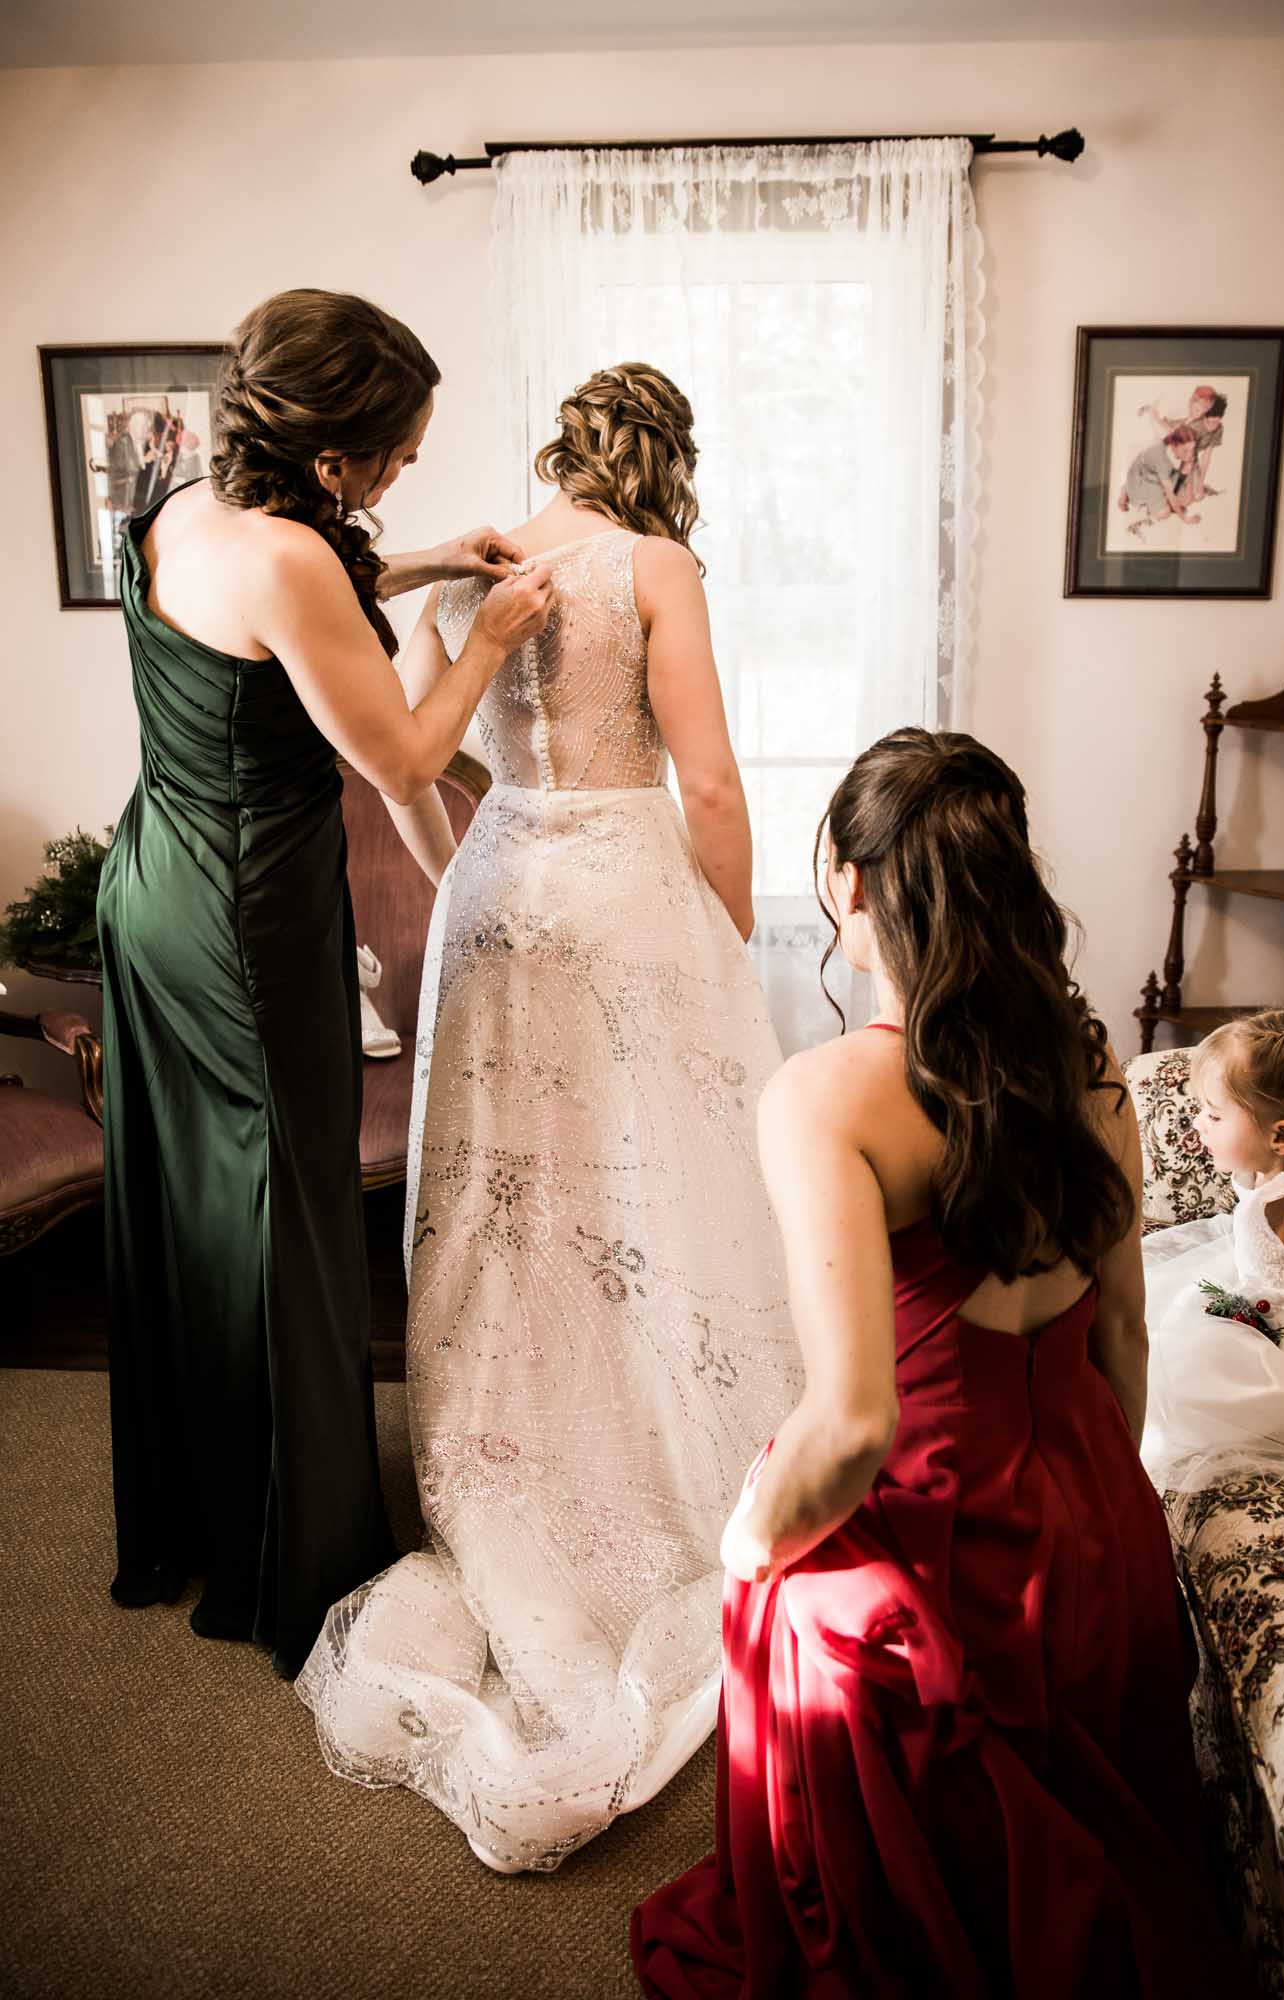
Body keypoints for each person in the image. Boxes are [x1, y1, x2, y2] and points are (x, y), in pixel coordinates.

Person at [632, 729, 1240, 1997]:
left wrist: (747, 1546)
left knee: (777, 1563)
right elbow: (1124, 1339)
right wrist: (1096, 1526)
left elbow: (856, 1424)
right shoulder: (1096, 1071)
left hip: (937, 1544)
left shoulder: (825, 1095)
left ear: (848, 884)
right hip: (1093, 1527)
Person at [297, 363, 801, 1870]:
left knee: (506, 1197)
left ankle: (501, 1450)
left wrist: (471, 865)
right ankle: (658, 1445)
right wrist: (726, 930)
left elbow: (420, 756)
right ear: (665, 458)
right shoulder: (653, 568)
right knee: (653, 1186)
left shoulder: (477, 566)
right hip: (626, 889)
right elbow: (709, 781)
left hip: (500, 882)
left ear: (560, 453)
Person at [97, 288, 554, 1680]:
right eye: (399, 454)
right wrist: (490, 632)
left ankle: (195, 1507)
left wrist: (419, 562)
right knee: (285, 1210)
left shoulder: (181, 502)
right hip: (246, 919)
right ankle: (290, 1550)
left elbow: (283, 607)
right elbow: (404, 758)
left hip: (151, 885)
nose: (407, 471)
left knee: (194, 1203)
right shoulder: (295, 556)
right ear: (333, 457)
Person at [1141, 1006, 1284, 1500]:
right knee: (1160, 1332)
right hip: (1260, 1310)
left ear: (1281, 1137)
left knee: (1185, 1377)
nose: (1198, 1124)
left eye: (1214, 1115)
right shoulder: (1266, 1174)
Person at [1118, 425, 1202, 536]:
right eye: (1185, 450)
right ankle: (1133, 498)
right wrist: (1185, 518)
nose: (1190, 454)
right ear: (1174, 445)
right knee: (1165, 513)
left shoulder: (1171, 447)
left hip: (1152, 477)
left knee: (1184, 497)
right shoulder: (1162, 459)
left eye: (1192, 450)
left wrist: (1187, 468)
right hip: (1141, 482)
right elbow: (1170, 493)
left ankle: (1129, 492)